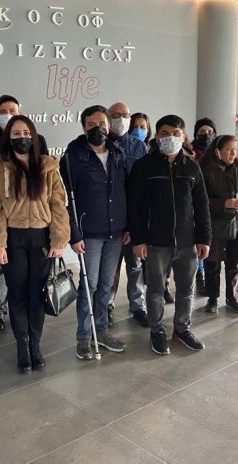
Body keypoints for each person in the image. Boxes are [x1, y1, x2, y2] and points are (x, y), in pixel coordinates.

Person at [0, 115, 70, 373]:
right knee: (17, 293)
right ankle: (21, 344)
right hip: (14, 239)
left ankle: (35, 343)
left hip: (41, 238)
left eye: (25, 133)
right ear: (8, 138)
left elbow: (59, 204)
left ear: (33, 137)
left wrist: (59, 238)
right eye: (16, 134)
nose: (21, 138)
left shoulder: (48, 166)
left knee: (37, 293)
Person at [128, 114, 211, 355]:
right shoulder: (144, 166)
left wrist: (204, 238)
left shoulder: (192, 166)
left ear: (183, 137)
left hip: (187, 241)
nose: (170, 138)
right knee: (155, 290)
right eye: (165, 133)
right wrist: (139, 239)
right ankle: (157, 330)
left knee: (186, 289)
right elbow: (134, 206)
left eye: (176, 134)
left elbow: (202, 205)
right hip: (155, 242)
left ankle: (182, 328)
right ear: (157, 137)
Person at [60, 105, 128, 360]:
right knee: (89, 284)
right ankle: (83, 336)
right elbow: (65, 200)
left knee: (106, 285)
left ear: (109, 126)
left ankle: (101, 331)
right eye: (91, 125)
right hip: (89, 233)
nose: (97, 129)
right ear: (83, 127)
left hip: (115, 231)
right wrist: (74, 234)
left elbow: (125, 192)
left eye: (102, 124)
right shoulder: (72, 156)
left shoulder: (118, 153)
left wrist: (128, 226)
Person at [0, 95, 48, 332]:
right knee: (3, 274)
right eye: (3, 111)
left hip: (37, 228)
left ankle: (33, 336)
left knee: (33, 287)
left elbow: (51, 191)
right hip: (6, 225)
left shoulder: (40, 145)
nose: (8, 114)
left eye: (12, 110)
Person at [200, 135, 238, 314]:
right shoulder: (205, 170)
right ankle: (212, 299)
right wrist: (224, 203)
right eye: (229, 150)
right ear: (217, 151)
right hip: (213, 224)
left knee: (233, 264)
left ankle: (232, 297)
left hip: (235, 224)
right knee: (212, 264)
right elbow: (200, 201)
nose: (233, 154)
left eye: (235, 150)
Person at [107, 102, 149, 327]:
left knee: (135, 265)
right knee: (110, 268)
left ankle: (138, 305)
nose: (121, 119)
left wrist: (135, 226)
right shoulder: (100, 144)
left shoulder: (139, 147)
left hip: (133, 219)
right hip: (109, 220)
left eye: (125, 115)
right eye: (116, 115)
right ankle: (107, 304)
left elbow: (143, 189)